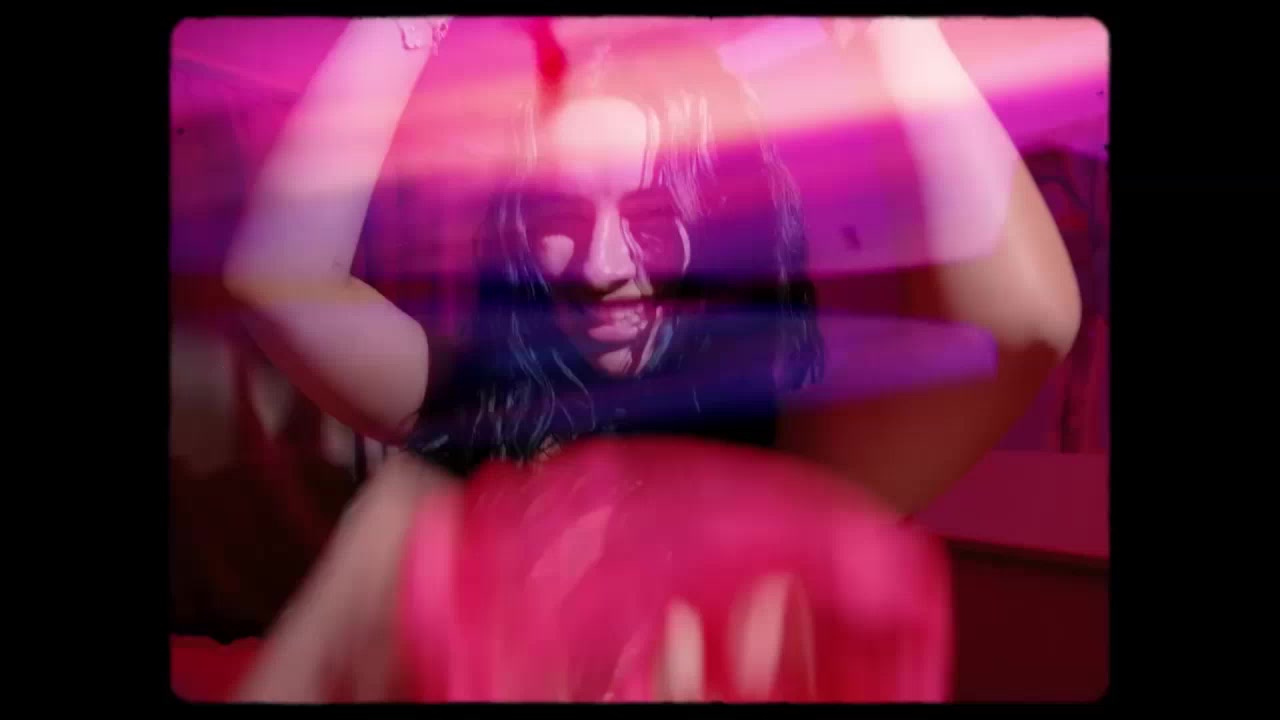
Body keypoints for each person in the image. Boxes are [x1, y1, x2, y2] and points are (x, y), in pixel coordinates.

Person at [224, 17, 1080, 702]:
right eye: (560, 218)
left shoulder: (790, 454)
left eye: (649, 216)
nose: (601, 267)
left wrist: (878, 32)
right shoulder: (475, 401)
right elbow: (278, 281)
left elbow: (1027, 320)